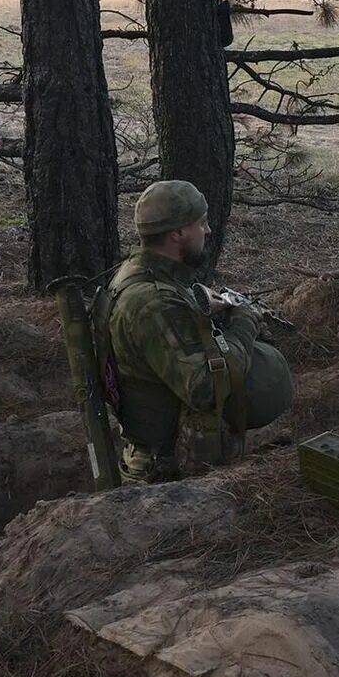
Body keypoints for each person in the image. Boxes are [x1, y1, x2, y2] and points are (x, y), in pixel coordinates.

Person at [100, 181, 294, 483]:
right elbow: (205, 388)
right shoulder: (153, 303)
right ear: (177, 233)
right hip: (166, 474)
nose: (209, 231)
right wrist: (245, 322)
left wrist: (199, 307)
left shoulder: (143, 274)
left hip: (169, 455)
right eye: (201, 224)